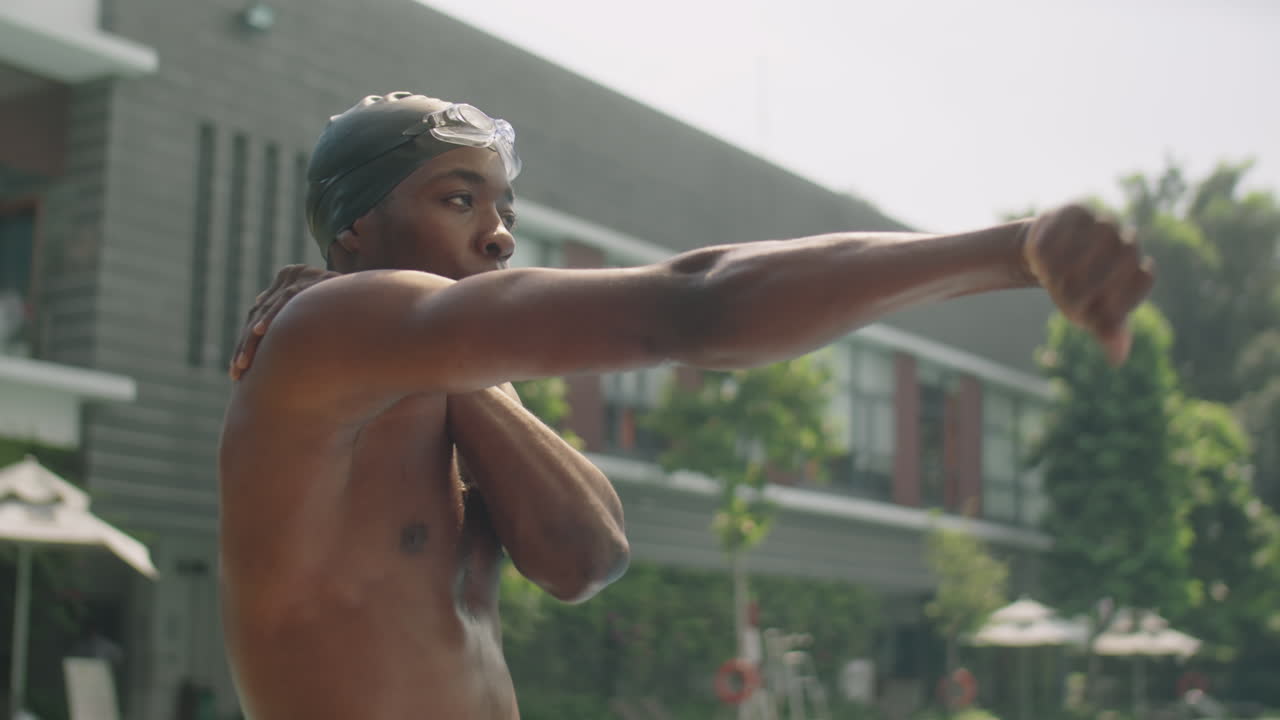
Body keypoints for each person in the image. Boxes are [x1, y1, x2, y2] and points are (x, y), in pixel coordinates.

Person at [219, 91, 1153, 720]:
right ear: (353, 228)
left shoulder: (444, 389)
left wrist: (464, 375)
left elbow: (588, 559)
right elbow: (692, 304)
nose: (498, 235)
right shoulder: (328, 329)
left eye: (502, 205)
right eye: (459, 200)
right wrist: (1014, 250)